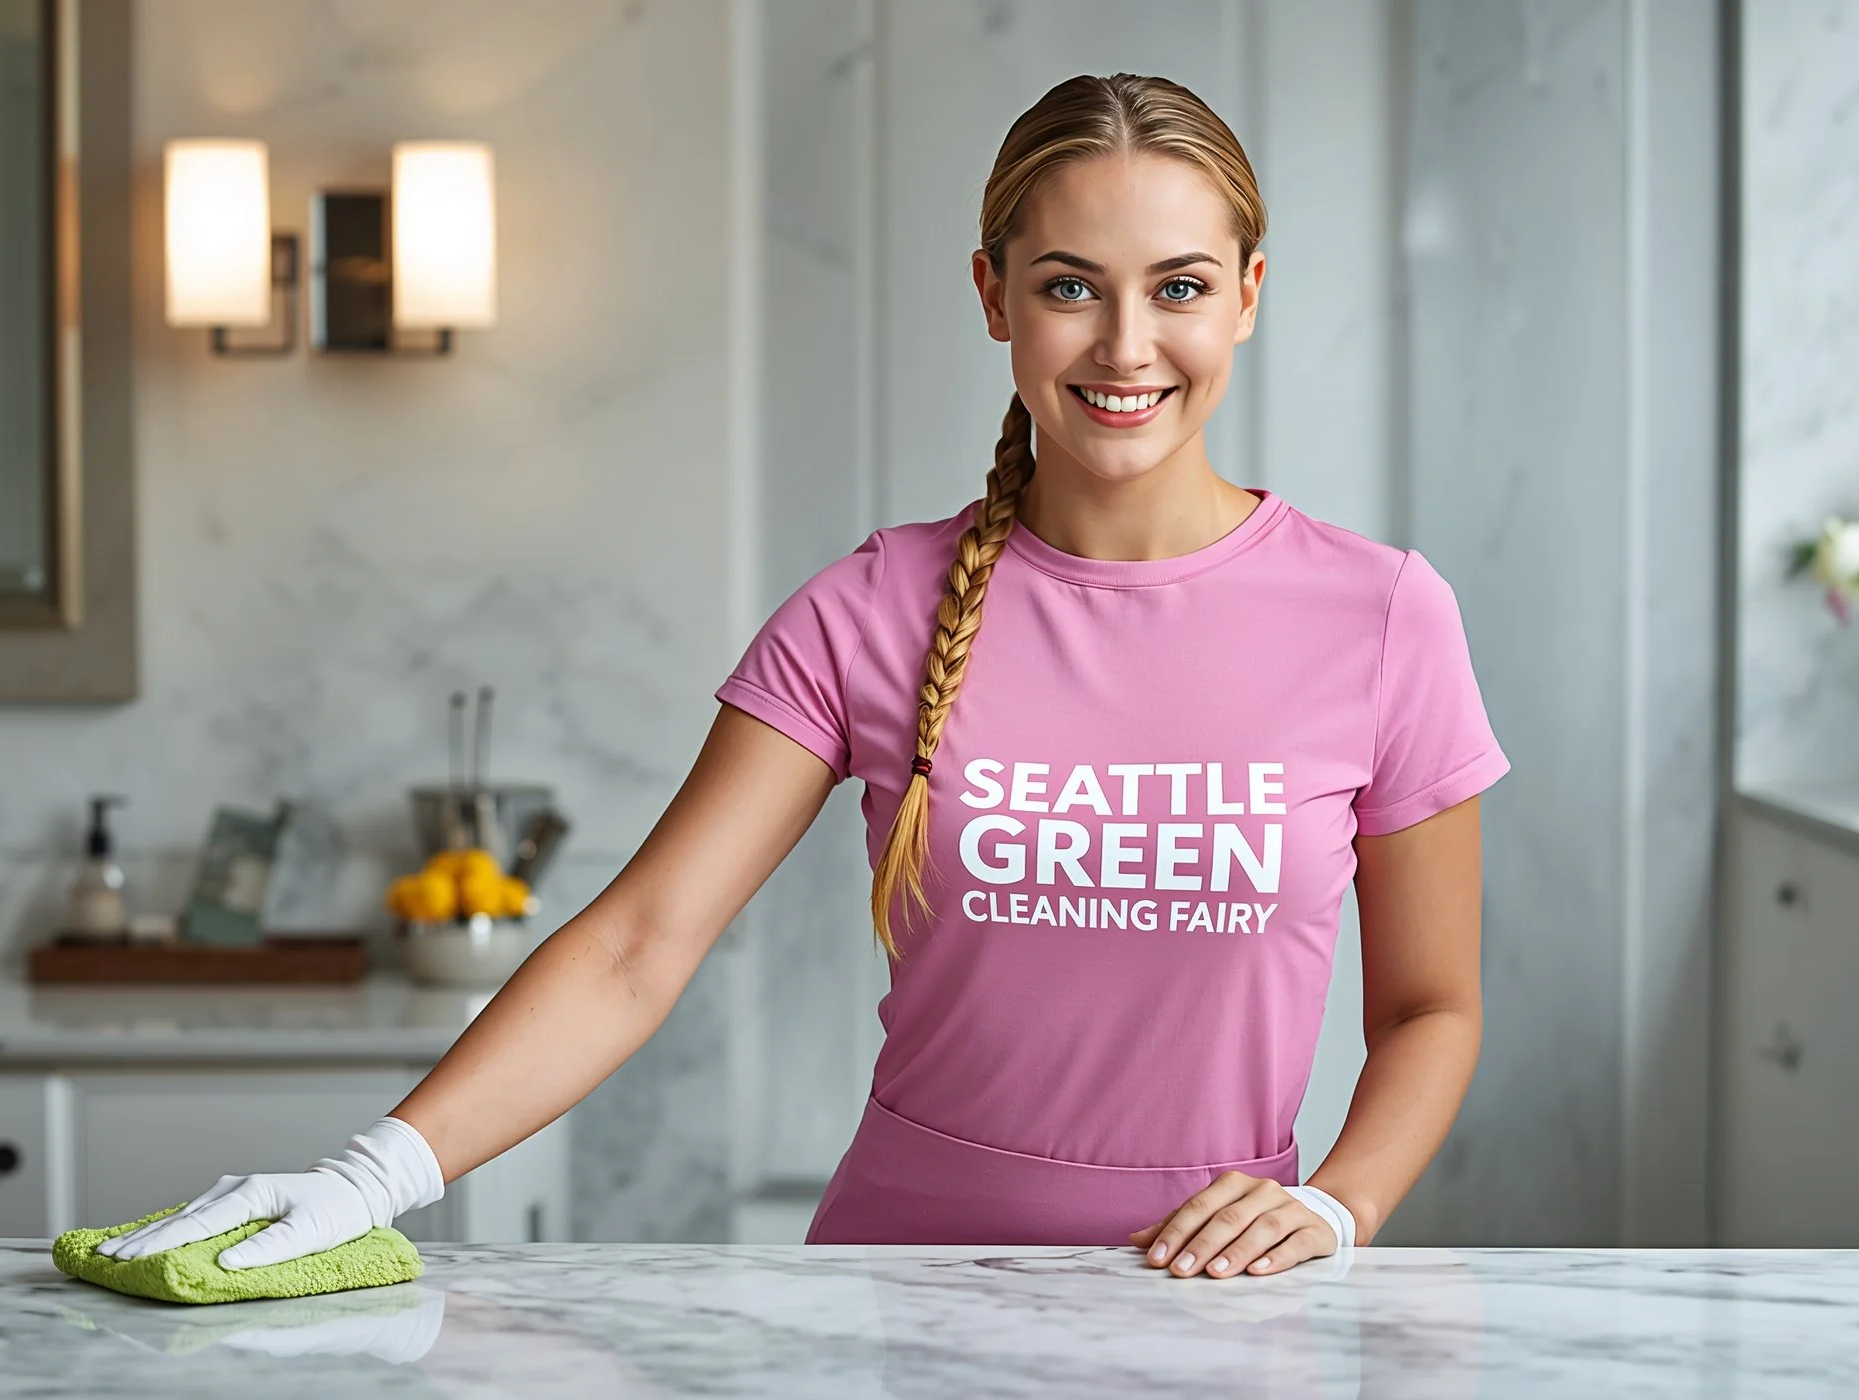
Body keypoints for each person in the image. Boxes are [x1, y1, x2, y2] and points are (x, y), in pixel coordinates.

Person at [102, 71, 1506, 1281]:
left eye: (1180, 287)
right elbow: (638, 945)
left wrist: (1340, 1202)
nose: (1126, 345)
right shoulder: (874, 607)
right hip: (898, 1292)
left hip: (1221, 1307)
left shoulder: (1381, 617)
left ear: (1248, 296)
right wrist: (371, 1177)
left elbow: (1429, 1008)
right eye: (1070, 286)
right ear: (994, 297)